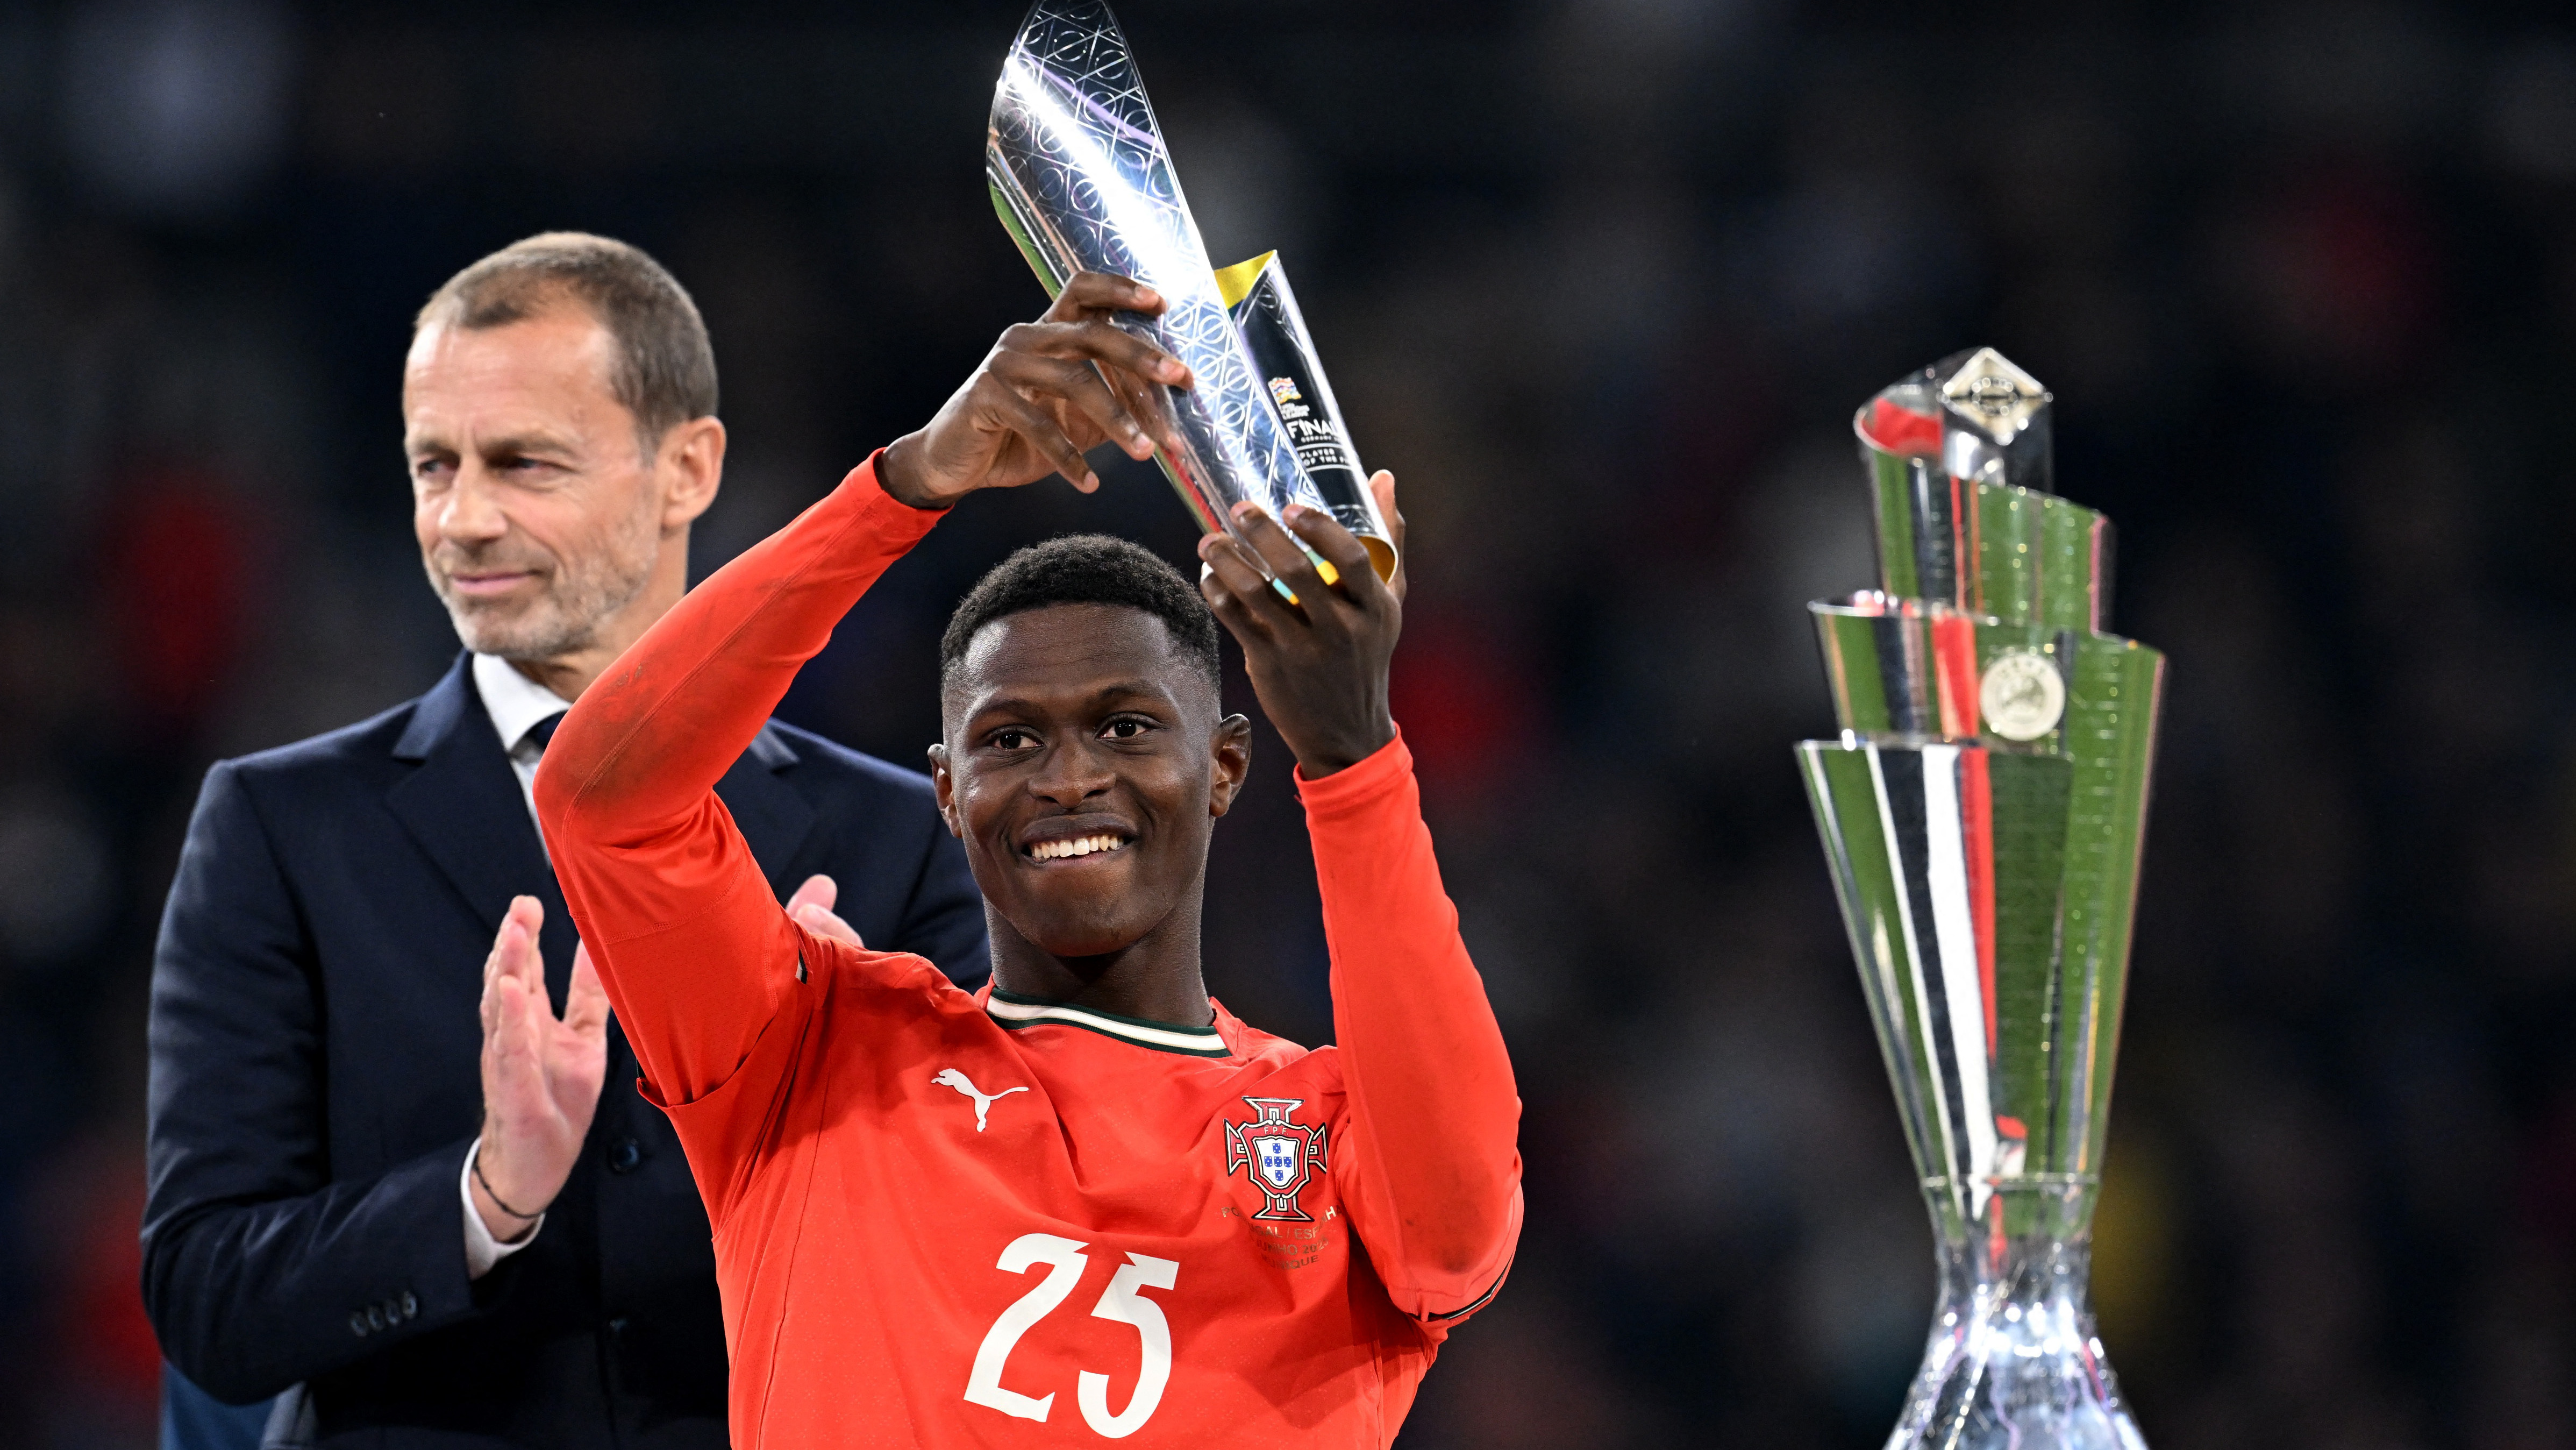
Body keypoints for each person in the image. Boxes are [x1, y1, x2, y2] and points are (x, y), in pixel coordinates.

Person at [535, 269, 1523, 1446]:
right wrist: (904, 486)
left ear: (1224, 768)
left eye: (1126, 725)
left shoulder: (1325, 1136)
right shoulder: (811, 1055)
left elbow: (1460, 1233)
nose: (1068, 777)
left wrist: (1354, 757)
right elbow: (602, 796)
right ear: (948, 791)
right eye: (1009, 739)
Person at [141, 233, 988, 1450]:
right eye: (435, 466)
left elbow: (986, 1266)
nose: (465, 519)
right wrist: (484, 1198)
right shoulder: (277, 826)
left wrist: (821, 1114)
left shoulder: (893, 833)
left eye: (524, 464)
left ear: (686, 469)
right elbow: (207, 1294)